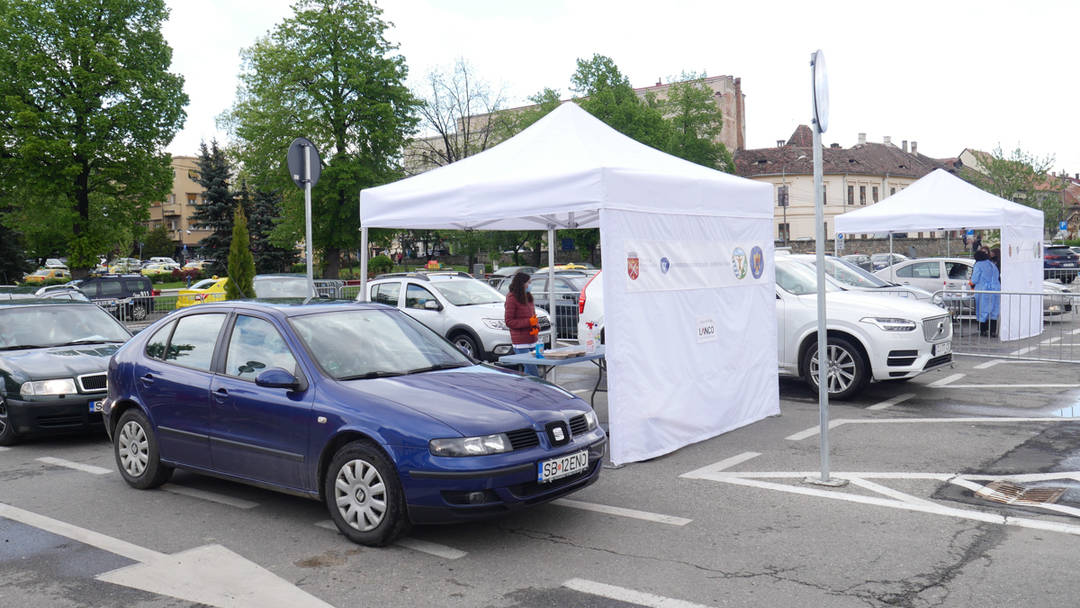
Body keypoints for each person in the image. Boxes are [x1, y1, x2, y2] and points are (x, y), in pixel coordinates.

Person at [504, 272, 540, 376]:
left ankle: (526, 390)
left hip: (532, 339)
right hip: (520, 342)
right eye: (528, 282)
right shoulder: (512, 298)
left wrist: (536, 326)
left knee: (530, 372)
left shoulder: (528, 297)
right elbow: (509, 321)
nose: (530, 285)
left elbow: (532, 317)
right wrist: (529, 322)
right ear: (522, 283)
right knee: (533, 371)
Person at [970, 247, 1000, 337]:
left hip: (983, 289)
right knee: (994, 310)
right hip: (996, 288)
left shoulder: (978, 265)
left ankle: (983, 330)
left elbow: (975, 279)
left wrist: (971, 283)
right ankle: (993, 331)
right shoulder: (992, 264)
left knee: (982, 310)